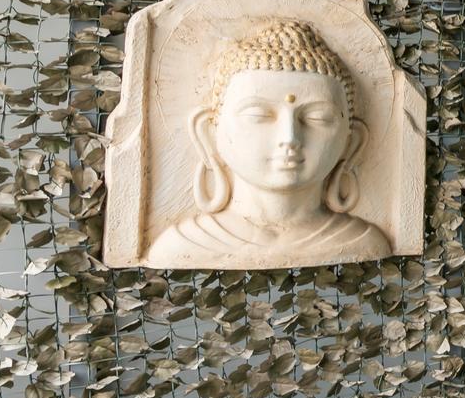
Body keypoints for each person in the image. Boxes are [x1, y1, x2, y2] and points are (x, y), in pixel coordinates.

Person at [147, 19, 390, 267]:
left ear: (351, 142)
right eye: (258, 115)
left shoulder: (362, 242)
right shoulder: (184, 245)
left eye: (318, 117)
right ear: (209, 133)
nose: (289, 137)